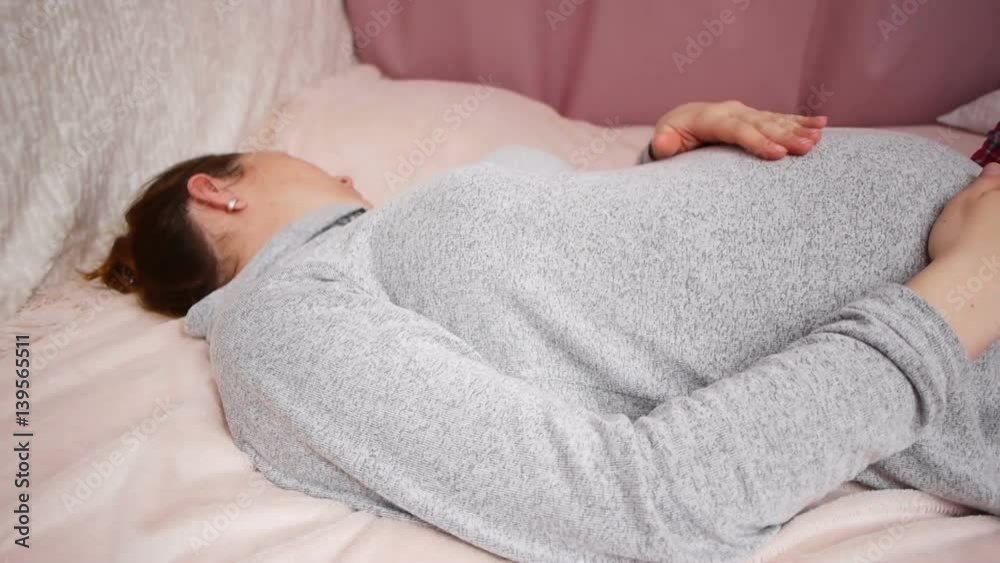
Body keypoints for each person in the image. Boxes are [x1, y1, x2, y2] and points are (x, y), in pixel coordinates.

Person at [85, 101, 1000, 562]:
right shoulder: (278, 320)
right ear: (218, 191)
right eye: (306, 159)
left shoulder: (374, 248)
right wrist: (965, 291)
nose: (345, 171)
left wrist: (669, 159)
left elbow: (592, 308)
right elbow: (634, 503)